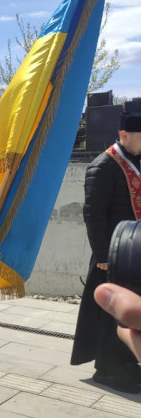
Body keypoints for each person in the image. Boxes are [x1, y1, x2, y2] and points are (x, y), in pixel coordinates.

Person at [71, 108, 141, 393]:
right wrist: (101, 255)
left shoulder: (136, 161)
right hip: (112, 255)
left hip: (133, 253)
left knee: (130, 311)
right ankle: (109, 370)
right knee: (111, 315)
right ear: (124, 134)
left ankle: (127, 363)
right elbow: (94, 214)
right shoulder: (103, 165)